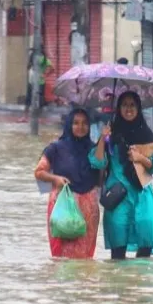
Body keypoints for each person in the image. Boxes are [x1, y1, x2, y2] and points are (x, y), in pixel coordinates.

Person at [90, 91, 153, 260]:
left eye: (132, 105)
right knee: (118, 250)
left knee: (145, 245)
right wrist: (103, 139)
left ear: (138, 108)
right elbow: (98, 163)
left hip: (142, 196)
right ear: (118, 108)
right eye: (124, 105)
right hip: (118, 195)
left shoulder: (146, 135)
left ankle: (138, 284)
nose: (128, 109)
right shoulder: (111, 134)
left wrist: (140, 158)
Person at [34, 108, 101, 258]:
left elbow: (101, 178)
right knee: (62, 259)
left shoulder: (95, 150)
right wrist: (56, 179)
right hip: (63, 207)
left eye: (84, 123)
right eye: (76, 123)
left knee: (85, 259)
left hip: (88, 210)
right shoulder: (55, 148)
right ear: (69, 125)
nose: (80, 127)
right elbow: (39, 172)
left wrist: (104, 141)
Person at [19, 51, 54, 123]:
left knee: (39, 101)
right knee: (28, 100)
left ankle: (38, 117)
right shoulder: (32, 58)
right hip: (31, 82)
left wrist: (44, 75)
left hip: (40, 83)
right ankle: (25, 117)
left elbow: (52, 68)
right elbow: (28, 68)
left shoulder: (43, 59)